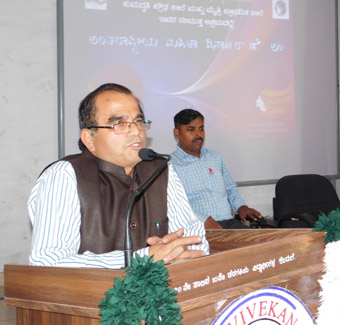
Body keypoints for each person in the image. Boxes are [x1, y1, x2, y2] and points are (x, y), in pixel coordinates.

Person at [28, 83, 209, 269]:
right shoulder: (65, 176)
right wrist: (141, 259)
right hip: (93, 289)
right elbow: (47, 261)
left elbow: (197, 239)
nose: (136, 131)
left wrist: (175, 250)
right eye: (119, 123)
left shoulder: (160, 170)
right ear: (89, 138)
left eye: (139, 121)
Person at [171, 109, 263, 229]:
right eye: (191, 129)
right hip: (197, 227)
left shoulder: (215, 157)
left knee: (260, 240)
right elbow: (176, 205)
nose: (198, 134)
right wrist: (204, 220)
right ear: (177, 133)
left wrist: (241, 207)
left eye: (201, 129)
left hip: (229, 223)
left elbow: (230, 188)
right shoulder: (171, 165)